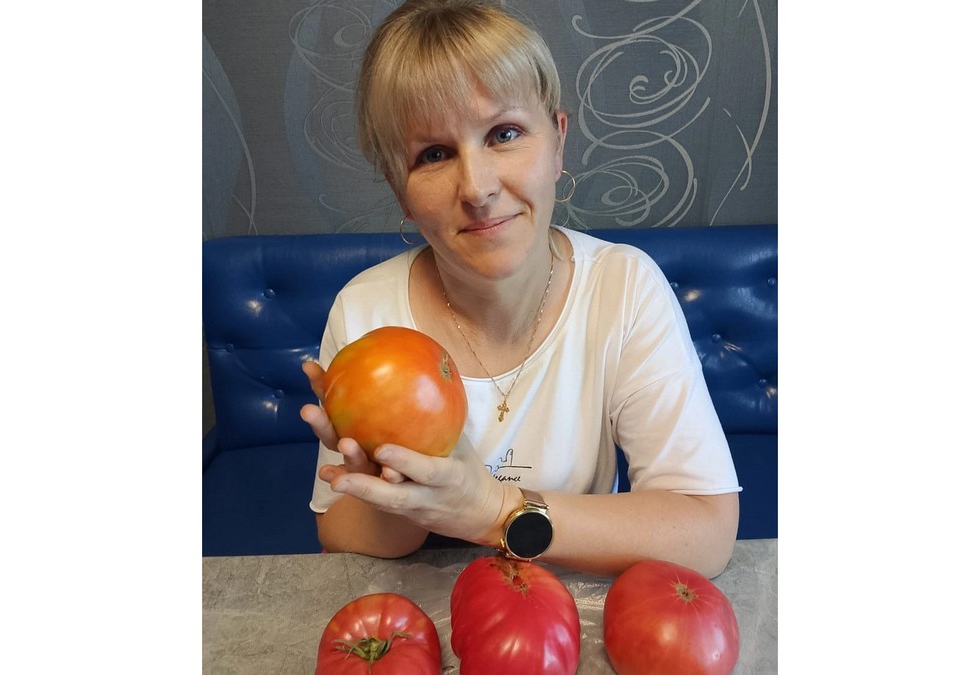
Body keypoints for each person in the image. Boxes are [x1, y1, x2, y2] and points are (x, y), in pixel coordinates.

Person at [300, 0, 740, 578]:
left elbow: (706, 529)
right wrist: (398, 492)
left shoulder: (624, 287)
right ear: (400, 188)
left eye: (504, 133)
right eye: (434, 154)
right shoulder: (365, 311)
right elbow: (338, 530)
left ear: (557, 142)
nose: (477, 188)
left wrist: (492, 510)